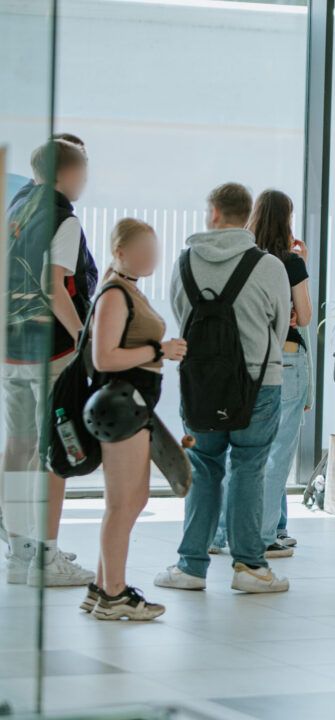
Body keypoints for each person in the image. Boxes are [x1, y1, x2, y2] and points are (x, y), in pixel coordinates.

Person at [154, 182, 291, 594]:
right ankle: (250, 568)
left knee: (204, 467)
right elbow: (280, 325)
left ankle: (191, 566)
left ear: (213, 212)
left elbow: (181, 315)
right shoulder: (268, 266)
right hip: (259, 384)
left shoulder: (184, 262)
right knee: (249, 468)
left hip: (201, 384)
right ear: (246, 216)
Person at [3, 137, 97, 587]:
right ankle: (47, 555)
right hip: (51, 351)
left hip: (10, 348)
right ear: (67, 173)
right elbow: (55, 285)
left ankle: (19, 552)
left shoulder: (14, 210)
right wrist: (82, 339)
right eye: (82, 171)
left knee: (17, 446)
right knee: (52, 450)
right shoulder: (64, 217)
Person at [85, 219, 187, 619]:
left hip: (134, 404)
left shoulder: (128, 289)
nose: (151, 258)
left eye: (154, 250)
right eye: (143, 250)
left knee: (132, 499)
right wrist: (159, 351)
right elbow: (104, 357)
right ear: (120, 251)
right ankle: (113, 593)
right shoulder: (114, 293)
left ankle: (101, 586)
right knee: (123, 502)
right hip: (120, 405)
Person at [209, 190, 311, 559]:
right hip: (283, 358)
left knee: (241, 453)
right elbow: (305, 315)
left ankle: (222, 533)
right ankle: (264, 535)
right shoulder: (288, 262)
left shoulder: (243, 259)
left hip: (242, 361)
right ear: (288, 219)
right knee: (276, 452)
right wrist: (303, 264)